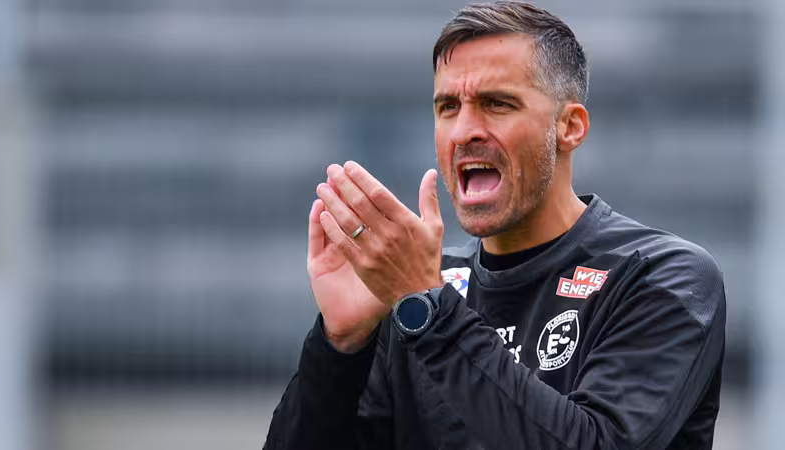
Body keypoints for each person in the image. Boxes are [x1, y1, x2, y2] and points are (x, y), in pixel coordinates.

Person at [264, 2, 726, 449]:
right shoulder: (415, 296)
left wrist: (429, 308)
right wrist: (338, 347)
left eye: (497, 103)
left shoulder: (663, 277)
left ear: (569, 127)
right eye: (448, 107)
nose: (465, 131)